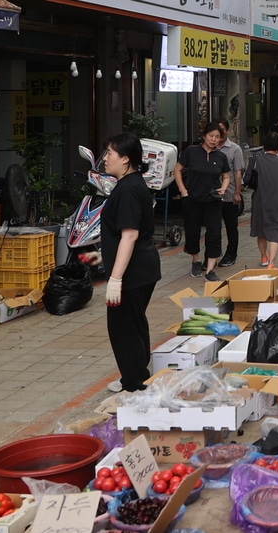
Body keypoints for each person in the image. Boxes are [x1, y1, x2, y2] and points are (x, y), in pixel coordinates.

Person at [87, 132, 160, 393]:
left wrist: (115, 279)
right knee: (134, 323)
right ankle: (137, 376)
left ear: (126, 159)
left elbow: (129, 236)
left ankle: (134, 385)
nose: (105, 158)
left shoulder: (129, 189)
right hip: (142, 267)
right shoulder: (131, 183)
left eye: (109, 153)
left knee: (123, 329)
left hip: (133, 271)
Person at [173, 123, 230, 282]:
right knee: (192, 233)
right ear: (204, 136)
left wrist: (224, 188)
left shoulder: (221, 156)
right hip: (192, 200)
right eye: (211, 136)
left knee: (214, 233)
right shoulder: (191, 152)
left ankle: (210, 269)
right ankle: (196, 260)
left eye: (217, 137)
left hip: (213, 200)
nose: (214, 139)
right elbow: (177, 170)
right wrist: (183, 190)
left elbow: (226, 175)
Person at [248, 133, 278, 268]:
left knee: (261, 230)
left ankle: (264, 257)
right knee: (275, 232)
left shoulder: (255, 160)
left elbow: (247, 180)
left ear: (264, 146)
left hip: (260, 199)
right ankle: (271, 263)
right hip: (277, 200)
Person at [215, 119, 244, 268]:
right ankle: (213, 255)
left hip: (229, 193)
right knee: (213, 227)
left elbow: (238, 172)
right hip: (212, 195)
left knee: (231, 226)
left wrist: (237, 193)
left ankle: (231, 254)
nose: (217, 134)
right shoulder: (210, 148)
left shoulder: (234, 149)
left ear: (227, 131)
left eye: (221, 130)